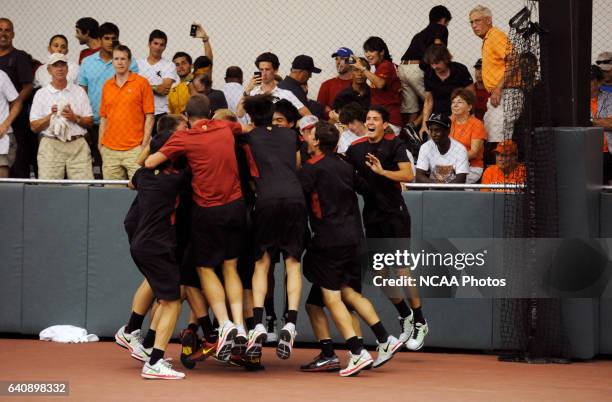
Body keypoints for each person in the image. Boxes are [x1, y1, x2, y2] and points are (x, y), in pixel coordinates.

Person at [145, 94, 249, 362]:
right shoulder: (226, 127)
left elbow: (150, 162)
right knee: (230, 266)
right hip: (237, 207)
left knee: (203, 268)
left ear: (186, 116)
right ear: (211, 112)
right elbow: (244, 128)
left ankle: (224, 325)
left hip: (208, 211)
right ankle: (238, 325)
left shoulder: (184, 137)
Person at [300, 120, 403, 376]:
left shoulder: (311, 169)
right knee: (335, 298)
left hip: (329, 241)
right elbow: (366, 188)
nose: (306, 137)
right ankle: (381, 338)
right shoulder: (345, 165)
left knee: (332, 297)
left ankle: (357, 352)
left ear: (316, 142)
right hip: (355, 239)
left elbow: (298, 200)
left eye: (310, 135)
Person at [345, 105, 428, 350]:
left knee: (402, 270)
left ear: (384, 124)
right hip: (372, 217)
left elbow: (408, 175)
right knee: (380, 277)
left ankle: (421, 321)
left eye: (375, 119)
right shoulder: (356, 148)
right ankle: (405, 314)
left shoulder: (395, 145)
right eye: (368, 118)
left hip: (396, 216)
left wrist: (382, 171)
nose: (370, 121)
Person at [241, 94, 307, 362]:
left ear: (252, 116)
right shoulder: (291, 136)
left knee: (262, 263)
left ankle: (257, 323)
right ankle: (290, 322)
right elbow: (298, 163)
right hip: (294, 198)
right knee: (293, 262)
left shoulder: (250, 136)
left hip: (266, 200)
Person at [127, 115, 190, 380]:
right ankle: (154, 361)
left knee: (165, 299)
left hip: (141, 246)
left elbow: (138, 171)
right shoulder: (177, 179)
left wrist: (154, 148)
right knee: (172, 302)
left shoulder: (143, 176)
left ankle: (143, 341)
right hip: (157, 246)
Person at [78, 22, 139, 177]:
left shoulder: (126, 62)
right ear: (99, 39)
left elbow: (136, 89)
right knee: (100, 167)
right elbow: (82, 93)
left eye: (114, 38)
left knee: (128, 170)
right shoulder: (87, 62)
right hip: (95, 123)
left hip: (123, 125)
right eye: (107, 38)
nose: (111, 42)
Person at [29, 53, 94, 179]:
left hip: (77, 144)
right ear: (49, 70)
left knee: (84, 188)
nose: (60, 69)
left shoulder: (79, 91)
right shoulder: (41, 94)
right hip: (51, 144)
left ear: (67, 68)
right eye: (55, 66)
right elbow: (34, 127)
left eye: (63, 65)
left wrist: (74, 117)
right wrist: (51, 116)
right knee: (49, 189)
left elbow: (90, 121)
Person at [98, 45, 154, 180]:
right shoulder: (107, 85)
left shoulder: (142, 83)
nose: (120, 62)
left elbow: (150, 116)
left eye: (123, 59)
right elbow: (103, 118)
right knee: (111, 195)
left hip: (135, 149)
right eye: (116, 59)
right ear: (112, 62)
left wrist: (144, 145)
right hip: (110, 150)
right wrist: (101, 145)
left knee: (138, 191)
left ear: (129, 62)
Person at [469, 5, 513, 158]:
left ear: (488, 20)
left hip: (505, 92)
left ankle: (502, 176)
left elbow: (515, 61)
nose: (474, 26)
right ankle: (495, 173)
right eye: (471, 22)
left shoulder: (495, 36)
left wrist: (499, 88)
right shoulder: (488, 38)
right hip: (498, 93)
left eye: (477, 21)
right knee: (490, 134)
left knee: (500, 138)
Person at [398, 5, 452, 125]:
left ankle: (409, 132)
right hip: (416, 70)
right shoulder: (441, 28)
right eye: (447, 23)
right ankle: (416, 126)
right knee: (432, 102)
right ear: (444, 20)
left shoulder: (420, 34)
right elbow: (437, 47)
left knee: (413, 109)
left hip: (402, 69)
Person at [0, 18, 34, 178]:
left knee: (18, 167)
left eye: (7, 30)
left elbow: (28, 86)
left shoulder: (19, 57)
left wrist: (14, 104)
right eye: (0, 29)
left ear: (12, 34)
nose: (3, 33)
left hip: (17, 122)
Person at [420, 45, 474, 138]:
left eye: (437, 63)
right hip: (438, 116)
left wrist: (471, 115)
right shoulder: (428, 73)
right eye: (432, 64)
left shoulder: (460, 70)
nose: (434, 67)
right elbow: (428, 101)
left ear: (445, 59)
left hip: (459, 115)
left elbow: (471, 95)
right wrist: (424, 125)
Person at [238, 52, 310, 118]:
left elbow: (308, 115)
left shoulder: (285, 94)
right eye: (261, 69)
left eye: (267, 69)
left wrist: (295, 125)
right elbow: (239, 114)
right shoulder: (253, 93)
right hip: (256, 131)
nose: (264, 73)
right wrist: (248, 90)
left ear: (275, 70)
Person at [137, 30, 179, 134]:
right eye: (155, 43)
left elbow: (163, 90)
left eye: (162, 45)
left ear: (165, 47)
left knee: (159, 147)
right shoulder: (137, 65)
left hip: (160, 113)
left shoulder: (169, 65)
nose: (158, 47)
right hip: (139, 113)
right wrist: (154, 87)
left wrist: (141, 86)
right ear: (149, 44)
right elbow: (132, 88)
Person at [358, 37, 402, 133]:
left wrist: (362, 68)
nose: (368, 55)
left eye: (371, 51)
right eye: (366, 51)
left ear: (382, 52)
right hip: (382, 119)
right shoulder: (379, 68)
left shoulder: (386, 66)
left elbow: (380, 84)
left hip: (389, 120)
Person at [416, 113, 469, 184]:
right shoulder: (425, 147)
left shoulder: (460, 149)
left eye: (437, 130)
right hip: (433, 190)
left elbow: (461, 180)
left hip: (453, 191)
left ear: (447, 131)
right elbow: (419, 177)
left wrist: (442, 188)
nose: (433, 134)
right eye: (431, 130)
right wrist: (436, 186)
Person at [449, 88, 487, 183]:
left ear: (469, 107)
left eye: (460, 102)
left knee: (452, 184)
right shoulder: (449, 123)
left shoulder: (477, 124)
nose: (455, 105)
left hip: (472, 167)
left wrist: (451, 159)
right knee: (434, 183)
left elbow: (474, 153)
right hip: (449, 166)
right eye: (453, 102)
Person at [317, 47, 353, 119]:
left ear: (351, 61)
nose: (338, 62)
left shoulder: (358, 84)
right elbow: (319, 109)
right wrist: (330, 114)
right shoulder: (327, 85)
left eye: (342, 58)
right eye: (336, 59)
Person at [591, 65, 612, 183]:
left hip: (608, 152)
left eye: (591, 80)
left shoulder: (609, 98)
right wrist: (601, 121)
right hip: (586, 151)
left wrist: (589, 121)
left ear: (599, 83)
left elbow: (611, 123)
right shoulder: (576, 99)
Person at [0, 68, 19, 178]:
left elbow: (17, 102)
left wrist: (5, 125)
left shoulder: (1, 75)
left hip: (1, 138)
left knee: (2, 188)